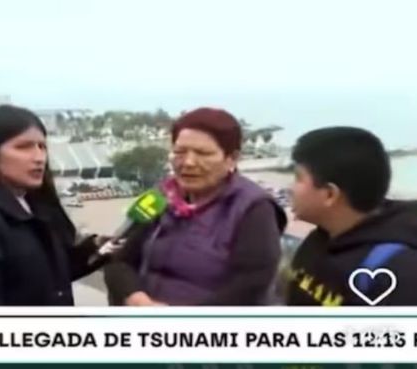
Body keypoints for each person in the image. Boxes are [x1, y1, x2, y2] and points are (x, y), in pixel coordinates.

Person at [104, 107, 287, 306]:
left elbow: (250, 286)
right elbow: (119, 260)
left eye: (203, 153)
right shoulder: (161, 196)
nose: (188, 162)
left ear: (232, 158)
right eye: (179, 152)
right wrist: (139, 301)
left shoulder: (254, 208)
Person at [0, 105, 115, 306]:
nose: (38, 158)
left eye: (42, 147)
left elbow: (50, 276)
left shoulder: (36, 208)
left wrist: (98, 248)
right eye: (23, 147)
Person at [285, 127, 417, 306]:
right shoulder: (320, 237)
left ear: (330, 194)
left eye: (298, 178)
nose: (290, 189)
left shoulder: (399, 274)